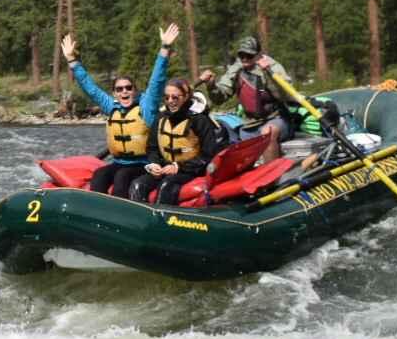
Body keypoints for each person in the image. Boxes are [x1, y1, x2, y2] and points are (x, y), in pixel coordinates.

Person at [62, 23, 180, 198]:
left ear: (135, 90)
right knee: (100, 174)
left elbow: (156, 82)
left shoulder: (146, 107)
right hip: (119, 162)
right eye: (119, 89)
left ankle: (121, 215)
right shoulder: (112, 107)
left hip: (144, 164)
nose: (124, 91)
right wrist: (72, 60)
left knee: (122, 177)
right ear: (115, 93)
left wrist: (164, 49)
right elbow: (91, 88)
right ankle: (95, 212)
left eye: (128, 87)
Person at [130, 78, 225, 206]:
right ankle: (139, 221)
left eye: (175, 97)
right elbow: (152, 148)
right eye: (166, 97)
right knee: (137, 184)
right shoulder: (160, 118)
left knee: (166, 184)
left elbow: (208, 155)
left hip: (191, 171)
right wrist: (154, 164)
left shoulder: (200, 120)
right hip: (164, 168)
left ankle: (160, 223)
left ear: (186, 97)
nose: (170, 101)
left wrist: (178, 167)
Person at [197, 35, 291, 164]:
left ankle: (272, 177)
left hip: (276, 119)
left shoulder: (272, 66)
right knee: (222, 136)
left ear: (259, 55)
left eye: (249, 55)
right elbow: (220, 98)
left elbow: (283, 95)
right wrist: (211, 85)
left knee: (267, 133)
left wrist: (267, 73)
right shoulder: (236, 69)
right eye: (242, 55)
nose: (245, 59)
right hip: (250, 125)